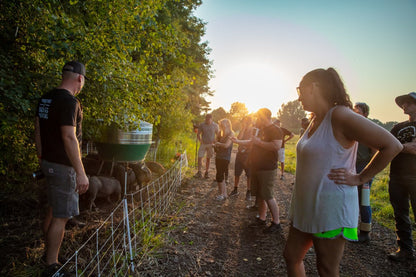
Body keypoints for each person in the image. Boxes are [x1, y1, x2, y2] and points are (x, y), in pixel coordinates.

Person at [283, 67, 402, 277]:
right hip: (306, 205)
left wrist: (361, 177)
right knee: (291, 256)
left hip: (330, 208)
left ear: (314, 87)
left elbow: (392, 145)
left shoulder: (340, 115)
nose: (298, 97)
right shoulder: (315, 118)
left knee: (326, 268)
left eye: (300, 90)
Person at [35, 61, 89, 276]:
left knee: (53, 207)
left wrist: (41, 157)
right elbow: (69, 137)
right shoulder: (69, 102)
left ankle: (48, 253)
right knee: (62, 216)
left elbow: (38, 129)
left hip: (48, 162)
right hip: (63, 166)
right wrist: (81, 172)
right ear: (79, 78)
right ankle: (52, 265)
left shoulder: (46, 98)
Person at [233, 108, 283, 233]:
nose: (257, 120)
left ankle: (276, 222)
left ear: (265, 117)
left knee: (268, 195)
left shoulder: (276, 130)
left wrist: (259, 142)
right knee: (260, 195)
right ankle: (262, 218)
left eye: (259, 117)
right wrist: (237, 141)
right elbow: (251, 142)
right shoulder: (260, 130)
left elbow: (276, 146)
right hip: (257, 166)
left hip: (268, 168)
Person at [387, 92, 416, 262]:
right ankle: (405, 250)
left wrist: (398, 147)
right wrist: (405, 147)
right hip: (396, 176)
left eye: (408, 102)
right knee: (400, 214)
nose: (404, 105)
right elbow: (387, 146)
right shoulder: (397, 127)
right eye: (403, 102)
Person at [353, 102, 375, 243]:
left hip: (364, 166)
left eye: (358, 112)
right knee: (352, 199)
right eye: (354, 111)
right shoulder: (353, 128)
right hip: (352, 166)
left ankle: (365, 232)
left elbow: (374, 152)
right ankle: (351, 228)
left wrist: (369, 171)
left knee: (363, 200)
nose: (355, 114)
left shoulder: (369, 129)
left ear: (365, 114)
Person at [229, 116, 253, 200]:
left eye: (245, 122)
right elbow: (238, 139)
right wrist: (243, 129)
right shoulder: (243, 130)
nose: (243, 123)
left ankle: (249, 191)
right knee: (237, 172)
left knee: (249, 174)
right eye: (243, 122)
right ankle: (235, 189)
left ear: (249, 122)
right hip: (240, 154)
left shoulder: (252, 130)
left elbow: (250, 142)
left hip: (248, 155)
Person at [214, 119, 234, 200]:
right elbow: (216, 141)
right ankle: (224, 194)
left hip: (225, 157)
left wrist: (218, 144)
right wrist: (215, 144)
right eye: (220, 125)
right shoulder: (220, 133)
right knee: (219, 175)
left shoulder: (231, 133)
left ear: (227, 125)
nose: (221, 126)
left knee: (220, 175)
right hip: (218, 156)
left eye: (222, 125)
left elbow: (226, 145)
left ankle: (222, 194)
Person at [194, 114, 219, 179]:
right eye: (206, 119)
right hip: (203, 144)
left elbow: (218, 135)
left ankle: (206, 172)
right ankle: (199, 172)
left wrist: (215, 141)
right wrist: (200, 141)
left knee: (208, 158)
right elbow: (198, 134)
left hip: (211, 144)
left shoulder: (215, 125)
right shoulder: (202, 125)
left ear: (211, 119)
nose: (207, 121)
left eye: (208, 120)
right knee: (200, 157)